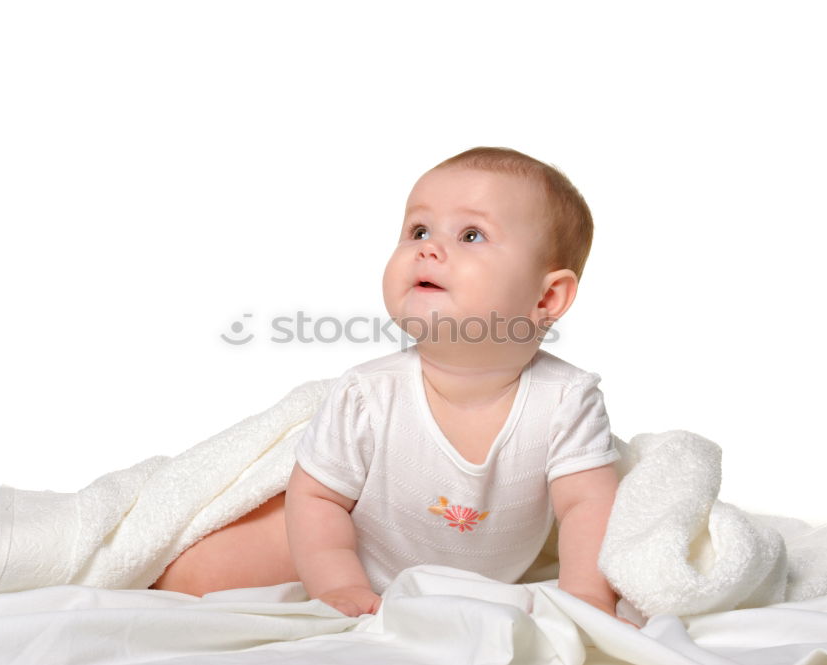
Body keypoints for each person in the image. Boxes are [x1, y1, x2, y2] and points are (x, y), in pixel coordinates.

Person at [151, 146, 631, 626]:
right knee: (193, 578)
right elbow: (318, 499)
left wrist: (589, 595)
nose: (428, 247)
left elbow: (588, 505)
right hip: (346, 553)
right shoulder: (369, 394)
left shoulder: (566, 399)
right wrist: (339, 583)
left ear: (547, 296)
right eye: (419, 230)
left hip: (473, 577)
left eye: (471, 234)